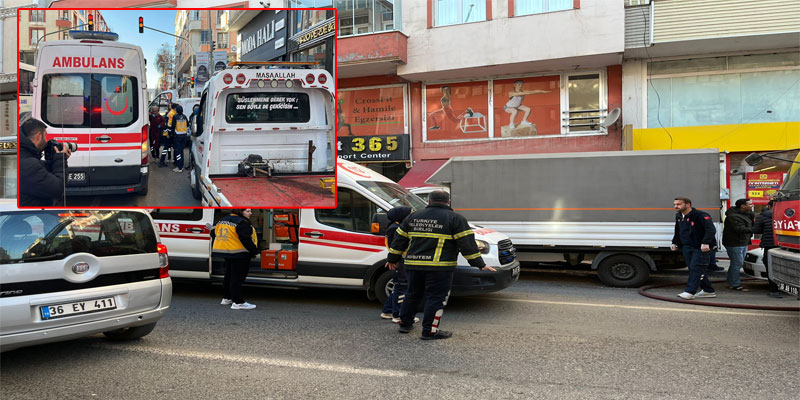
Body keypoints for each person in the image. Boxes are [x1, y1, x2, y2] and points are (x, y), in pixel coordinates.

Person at [386, 190, 496, 340]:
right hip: (439, 268)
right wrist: (479, 264)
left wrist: (392, 258)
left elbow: (399, 239)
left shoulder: (413, 217)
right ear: (448, 202)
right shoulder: (455, 218)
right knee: (435, 298)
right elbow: (467, 244)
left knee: (412, 294)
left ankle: (405, 324)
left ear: (429, 201)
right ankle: (429, 331)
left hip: (413, 265)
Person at [211, 209, 259, 310]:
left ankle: (227, 298)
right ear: (240, 211)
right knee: (237, 278)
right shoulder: (242, 222)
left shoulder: (222, 220)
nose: (250, 213)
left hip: (227, 252)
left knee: (229, 276)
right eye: (247, 211)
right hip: (239, 253)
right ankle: (238, 302)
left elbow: (214, 233)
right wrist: (255, 252)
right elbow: (246, 239)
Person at [671, 197, 717, 300]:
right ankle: (708, 290)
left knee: (696, 268)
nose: (675, 206)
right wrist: (675, 242)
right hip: (687, 247)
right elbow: (678, 230)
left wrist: (705, 243)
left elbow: (711, 230)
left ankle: (690, 292)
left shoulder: (700, 215)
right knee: (694, 269)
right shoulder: (679, 216)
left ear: (688, 205)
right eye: (675, 204)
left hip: (700, 248)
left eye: (678, 204)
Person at [18, 118, 72, 206]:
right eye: (45, 135)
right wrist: (60, 160)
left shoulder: (23, 154)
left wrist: (55, 159)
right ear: (38, 136)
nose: (46, 140)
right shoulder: (29, 164)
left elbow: (41, 173)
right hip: (32, 213)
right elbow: (57, 189)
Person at [379, 206, 419, 324]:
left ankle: (388, 311)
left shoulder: (395, 226)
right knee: (402, 287)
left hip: (400, 260)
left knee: (398, 287)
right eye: (410, 213)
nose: (411, 215)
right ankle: (398, 315)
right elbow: (396, 246)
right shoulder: (395, 228)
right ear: (401, 215)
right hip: (400, 261)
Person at [752, 200, 783, 298]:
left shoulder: (763, 216)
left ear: (769, 206)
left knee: (770, 267)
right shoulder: (789, 215)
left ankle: (774, 290)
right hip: (786, 245)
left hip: (769, 245)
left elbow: (756, 230)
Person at [722, 198, 754, 292]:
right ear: (743, 206)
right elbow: (740, 229)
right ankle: (735, 284)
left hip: (743, 242)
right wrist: (756, 230)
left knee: (736, 263)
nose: (752, 205)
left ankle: (731, 282)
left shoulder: (747, 214)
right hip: (734, 243)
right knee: (737, 263)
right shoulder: (733, 217)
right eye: (750, 204)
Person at [170, 105, 189, 173]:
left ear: (177, 110)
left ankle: (179, 167)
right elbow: (188, 124)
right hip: (184, 136)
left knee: (178, 152)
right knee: (181, 151)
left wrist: (172, 134)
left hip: (177, 136)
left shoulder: (175, 117)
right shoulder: (184, 116)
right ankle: (182, 165)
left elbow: (173, 126)